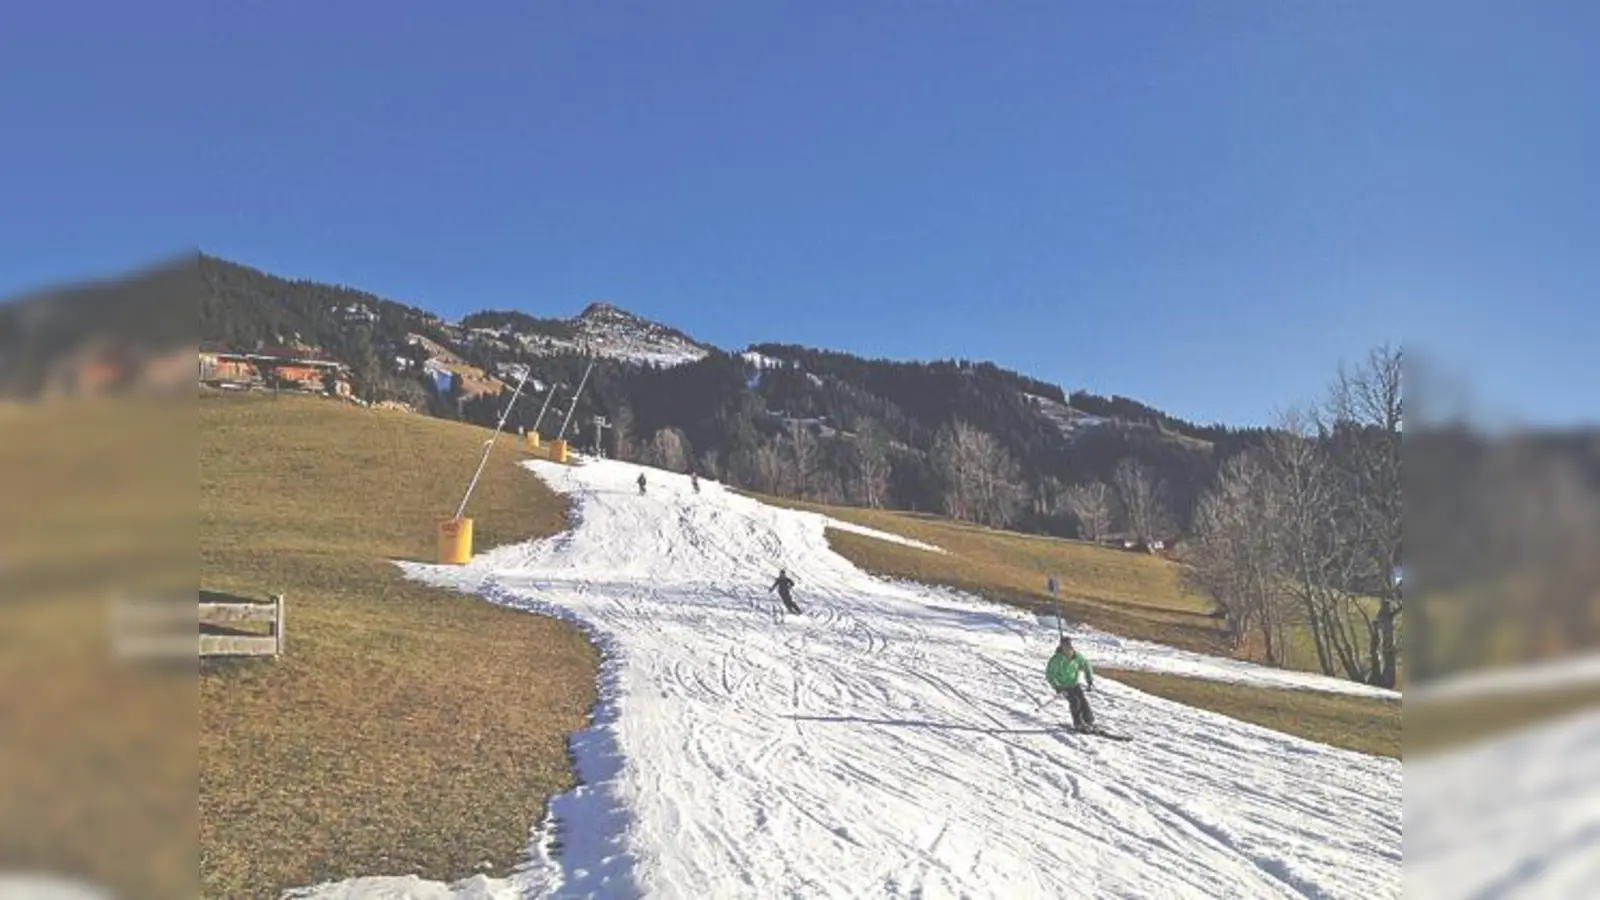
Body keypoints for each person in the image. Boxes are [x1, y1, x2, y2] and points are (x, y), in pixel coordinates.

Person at [1045, 635, 1097, 731]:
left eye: (1069, 645)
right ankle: (1078, 723)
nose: (1068, 648)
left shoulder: (1077, 656)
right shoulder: (1056, 660)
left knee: (1082, 700)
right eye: (1065, 646)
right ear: (1061, 647)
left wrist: (1089, 680)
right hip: (1063, 686)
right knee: (1074, 701)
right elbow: (1050, 675)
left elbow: (1086, 666)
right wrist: (1057, 686)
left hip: (1074, 684)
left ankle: (1089, 721)